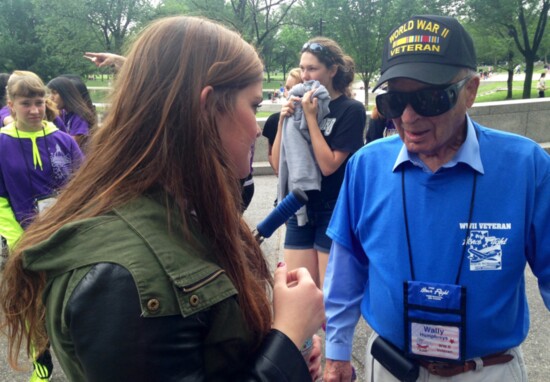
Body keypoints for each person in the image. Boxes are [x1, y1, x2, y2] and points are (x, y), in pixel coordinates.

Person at [1, 16, 324, 382]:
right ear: (205, 109)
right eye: (251, 106)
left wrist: (279, 351)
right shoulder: (121, 280)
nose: (255, 128)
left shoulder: (180, 207)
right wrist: (289, 337)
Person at [323, 15, 550, 382]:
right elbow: (347, 264)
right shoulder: (366, 166)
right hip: (392, 367)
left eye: (430, 98)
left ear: (471, 90)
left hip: (487, 371)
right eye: (394, 101)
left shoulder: (527, 167)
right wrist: (336, 351)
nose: (408, 118)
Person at [0, 72, 83, 381]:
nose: (34, 110)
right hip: (25, 240)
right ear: (11, 106)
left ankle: (75, 351)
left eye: (39, 102)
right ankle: (41, 357)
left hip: (66, 235)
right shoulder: (1, 144)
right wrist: (20, 238)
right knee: (30, 301)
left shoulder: (63, 140)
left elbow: (82, 184)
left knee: (69, 296)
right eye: (26, 104)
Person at [272, 37, 366, 290]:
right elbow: (277, 164)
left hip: (332, 209)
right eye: (302, 68)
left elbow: (328, 166)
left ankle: (329, 332)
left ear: (333, 70)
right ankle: (304, 333)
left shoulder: (350, 110)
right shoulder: (299, 104)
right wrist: (283, 121)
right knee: (295, 289)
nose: (304, 75)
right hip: (299, 207)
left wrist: (312, 120)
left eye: (312, 68)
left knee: (329, 295)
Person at [263, 68, 302, 173]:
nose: (290, 93)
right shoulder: (274, 121)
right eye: (288, 88)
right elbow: (274, 161)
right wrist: (281, 123)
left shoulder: (316, 118)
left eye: (295, 89)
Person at [47, 76, 97, 149]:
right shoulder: (64, 113)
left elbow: (72, 143)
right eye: (50, 93)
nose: (51, 97)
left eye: (54, 93)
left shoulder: (80, 116)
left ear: (66, 95)